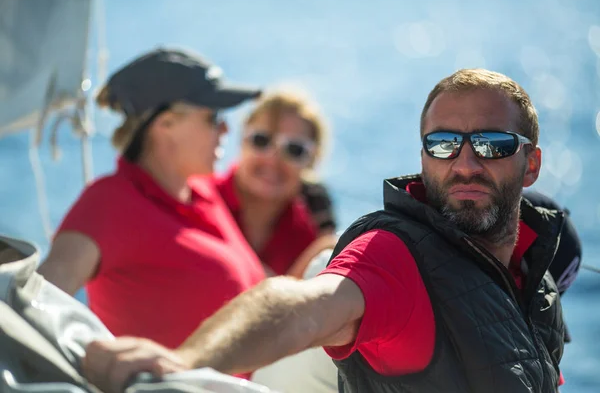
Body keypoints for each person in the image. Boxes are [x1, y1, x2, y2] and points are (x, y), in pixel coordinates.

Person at [82, 68, 566, 393]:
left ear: (531, 165)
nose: (464, 162)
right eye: (442, 145)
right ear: (422, 159)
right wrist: (185, 363)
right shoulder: (397, 254)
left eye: (492, 145)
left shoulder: (538, 283)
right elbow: (302, 306)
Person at [37, 48, 267, 362]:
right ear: (166, 123)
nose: (226, 129)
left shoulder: (201, 190)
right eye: (213, 117)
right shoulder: (108, 204)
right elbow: (36, 306)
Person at [214, 91, 337, 277]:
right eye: (261, 140)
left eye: (294, 149)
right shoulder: (193, 199)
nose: (273, 160)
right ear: (241, 141)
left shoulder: (308, 235)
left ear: (312, 161)